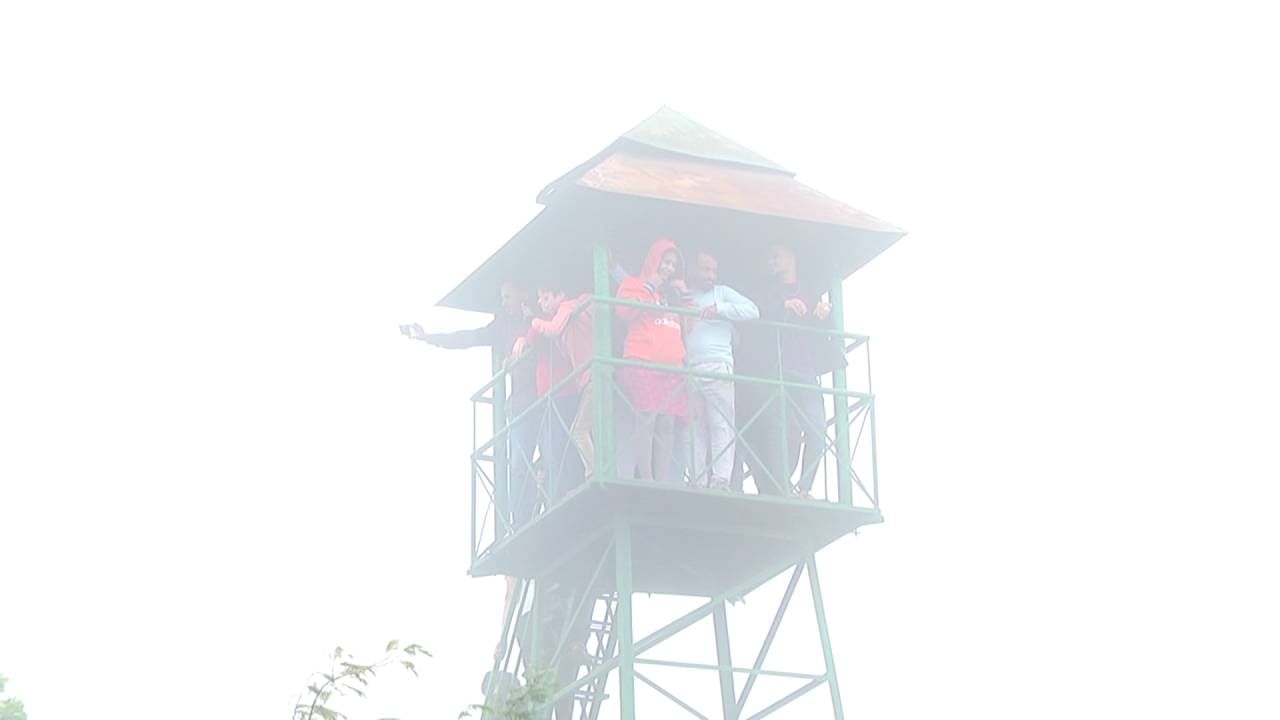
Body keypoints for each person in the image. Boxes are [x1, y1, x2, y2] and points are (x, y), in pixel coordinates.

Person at [402, 281, 541, 526]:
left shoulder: (539, 318)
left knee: (550, 458)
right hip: (522, 403)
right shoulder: (502, 326)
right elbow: (468, 337)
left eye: (507, 296)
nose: (503, 302)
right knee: (520, 465)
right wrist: (429, 337)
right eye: (502, 296)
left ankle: (544, 503)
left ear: (523, 294)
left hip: (548, 396)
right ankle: (521, 522)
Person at [760, 242, 847, 497]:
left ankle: (804, 487)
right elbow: (759, 316)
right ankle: (780, 488)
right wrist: (782, 307)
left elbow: (824, 331)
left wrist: (823, 316)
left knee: (817, 429)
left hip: (806, 370)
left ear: (791, 256)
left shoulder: (809, 292)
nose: (771, 261)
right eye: (769, 257)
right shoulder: (769, 291)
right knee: (780, 431)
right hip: (776, 370)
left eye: (775, 255)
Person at [683, 249, 759, 490]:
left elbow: (753, 311)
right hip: (690, 369)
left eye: (714, 270)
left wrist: (720, 308)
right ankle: (698, 478)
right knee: (694, 426)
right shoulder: (684, 296)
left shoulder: (722, 293)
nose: (710, 275)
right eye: (705, 269)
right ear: (693, 269)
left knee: (720, 424)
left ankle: (720, 479)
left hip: (718, 366)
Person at [615, 238, 689, 484]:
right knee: (647, 417)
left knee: (666, 422)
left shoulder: (672, 293)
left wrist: (684, 297)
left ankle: (663, 479)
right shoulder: (633, 284)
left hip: (672, 366)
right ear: (653, 260)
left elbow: (688, 328)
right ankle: (646, 477)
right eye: (665, 262)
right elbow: (624, 311)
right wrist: (649, 287)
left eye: (673, 265)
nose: (668, 268)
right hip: (642, 360)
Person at [514, 284, 595, 488]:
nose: (542, 302)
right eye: (539, 298)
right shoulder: (571, 312)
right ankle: (589, 476)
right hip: (582, 382)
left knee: (577, 433)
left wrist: (531, 321)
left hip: (580, 383)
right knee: (577, 434)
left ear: (560, 295)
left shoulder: (567, 308)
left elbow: (552, 329)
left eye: (546, 297)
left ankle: (594, 474)